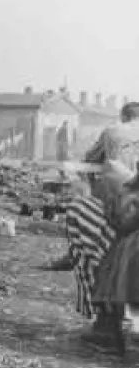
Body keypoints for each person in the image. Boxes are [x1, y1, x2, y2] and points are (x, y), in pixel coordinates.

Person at [61, 102, 139, 334]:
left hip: (125, 211)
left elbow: (90, 160)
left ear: (124, 116)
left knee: (90, 229)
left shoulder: (113, 131)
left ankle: (106, 323)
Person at [90, 174, 139, 354]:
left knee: (121, 286)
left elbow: (123, 222)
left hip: (132, 251)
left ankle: (118, 338)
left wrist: (111, 206)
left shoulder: (130, 194)